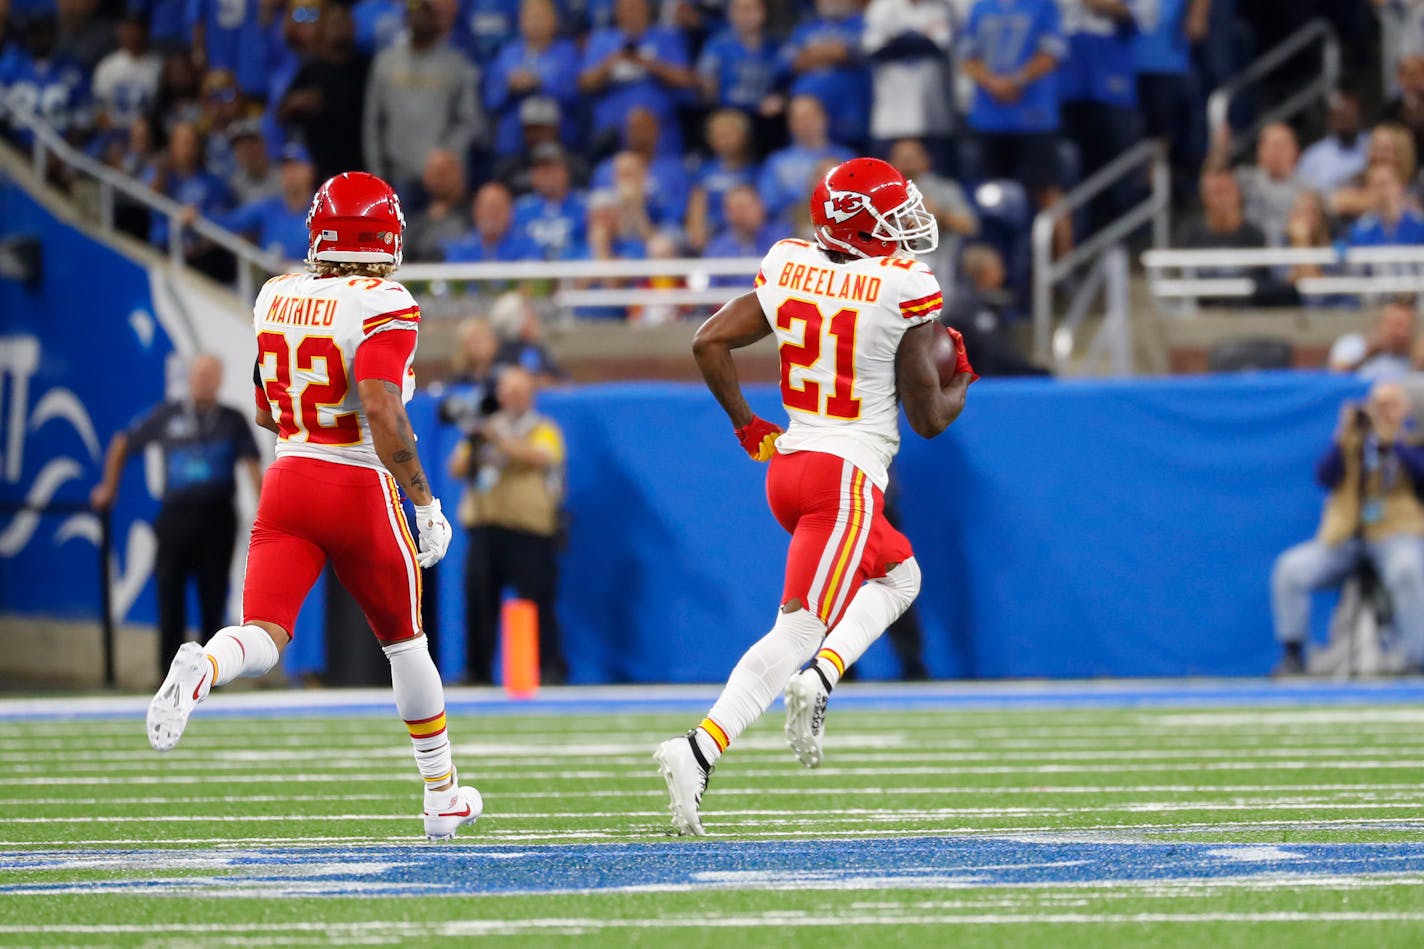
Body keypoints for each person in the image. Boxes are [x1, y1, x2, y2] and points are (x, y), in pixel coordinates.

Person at [143, 171, 480, 841]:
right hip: (354, 481)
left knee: (264, 636)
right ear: (382, 236)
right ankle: (441, 794)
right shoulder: (385, 300)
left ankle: (205, 664)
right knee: (407, 643)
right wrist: (424, 500)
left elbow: (267, 403)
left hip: (288, 474)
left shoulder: (275, 293)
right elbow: (383, 407)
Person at [654, 157, 975, 836]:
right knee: (797, 627)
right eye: (891, 218)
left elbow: (709, 339)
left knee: (901, 573)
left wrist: (747, 425)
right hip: (846, 477)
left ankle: (822, 677)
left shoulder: (788, 260)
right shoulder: (904, 286)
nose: (907, 228)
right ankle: (698, 747)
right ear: (860, 227)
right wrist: (962, 380)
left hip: (793, 464)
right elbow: (928, 418)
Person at [90, 354, 262, 676]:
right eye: (199, 375)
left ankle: (212, 675)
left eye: (211, 375)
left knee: (213, 596)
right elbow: (122, 443)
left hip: (217, 518)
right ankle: (168, 675)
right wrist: (108, 488)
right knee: (169, 596)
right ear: (190, 379)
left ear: (219, 380)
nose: (204, 381)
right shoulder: (167, 415)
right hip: (175, 518)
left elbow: (252, 464)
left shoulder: (231, 419)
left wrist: (266, 510)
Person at [1270, 382, 1424, 676]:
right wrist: (1342, 435)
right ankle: (1292, 654)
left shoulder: (1413, 437)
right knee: (1290, 568)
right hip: (1346, 536)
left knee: (1407, 568)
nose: (1382, 411)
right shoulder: (1353, 440)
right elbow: (1324, 476)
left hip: (1396, 534)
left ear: (1405, 408)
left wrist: (1395, 442)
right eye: (1377, 404)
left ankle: (1417, 656)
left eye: (1390, 404)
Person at [448, 366, 568, 686]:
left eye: (519, 390)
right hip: (485, 528)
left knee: (538, 600)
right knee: (479, 602)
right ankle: (477, 671)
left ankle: (549, 668)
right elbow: (456, 468)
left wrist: (498, 437)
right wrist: (476, 437)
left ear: (530, 395)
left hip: (528, 530)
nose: (512, 396)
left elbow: (540, 457)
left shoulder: (544, 429)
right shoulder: (484, 429)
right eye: (507, 390)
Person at [362, 0, 482, 195]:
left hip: (443, 177)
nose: (419, 20)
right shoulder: (385, 63)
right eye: (413, 13)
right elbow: (373, 123)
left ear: (437, 20)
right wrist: (376, 173)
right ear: (405, 20)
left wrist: (446, 155)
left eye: (426, 13)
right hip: (397, 176)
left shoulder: (457, 63)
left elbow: (470, 121)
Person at [862, 0, 955, 155]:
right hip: (892, 113)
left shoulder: (938, 7)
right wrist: (920, 37)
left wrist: (897, 39)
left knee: (933, 175)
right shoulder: (883, 6)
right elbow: (874, 49)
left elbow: (940, 46)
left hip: (931, 111)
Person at [404, 148, 470, 262]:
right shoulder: (416, 224)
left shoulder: (474, 216)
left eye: (444, 173)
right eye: (433, 173)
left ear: (459, 174)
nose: (439, 179)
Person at [1298, 91, 1370, 193]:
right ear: (1331, 120)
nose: (1346, 120)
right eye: (1340, 115)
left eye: (1350, 113)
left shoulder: (1374, 145)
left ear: (1360, 116)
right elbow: (1302, 193)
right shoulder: (1313, 156)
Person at [1329, 298, 1417, 381]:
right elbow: (1336, 374)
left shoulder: (1411, 354)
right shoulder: (1353, 343)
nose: (1399, 332)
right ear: (1379, 323)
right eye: (1396, 325)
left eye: (1406, 327)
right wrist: (1368, 352)